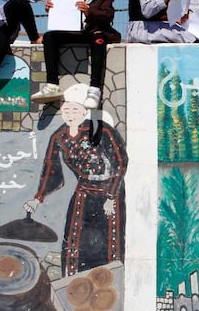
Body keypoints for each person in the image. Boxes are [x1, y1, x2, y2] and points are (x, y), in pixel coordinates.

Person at [24, 84, 128, 276]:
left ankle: (110, 285)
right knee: (74, 239)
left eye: (75, 110)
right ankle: (73, 285)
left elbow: (120, 163)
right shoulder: (59, 136)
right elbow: (50, 168)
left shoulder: (103, 131)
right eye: (66, 110)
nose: (70, 114)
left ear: (84, 112)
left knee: (109, 242)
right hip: (83, 191)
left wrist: (112, 197)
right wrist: (37, 199)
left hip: (109, 193)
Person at [31, 0, 121, 109]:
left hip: (96, 32)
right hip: (77, 32)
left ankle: (94, 89)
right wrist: (52, 8)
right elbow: (63, 16)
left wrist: (89, 11)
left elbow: (108, 14)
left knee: (98, 37)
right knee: (50, 37)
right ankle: (52, 83)